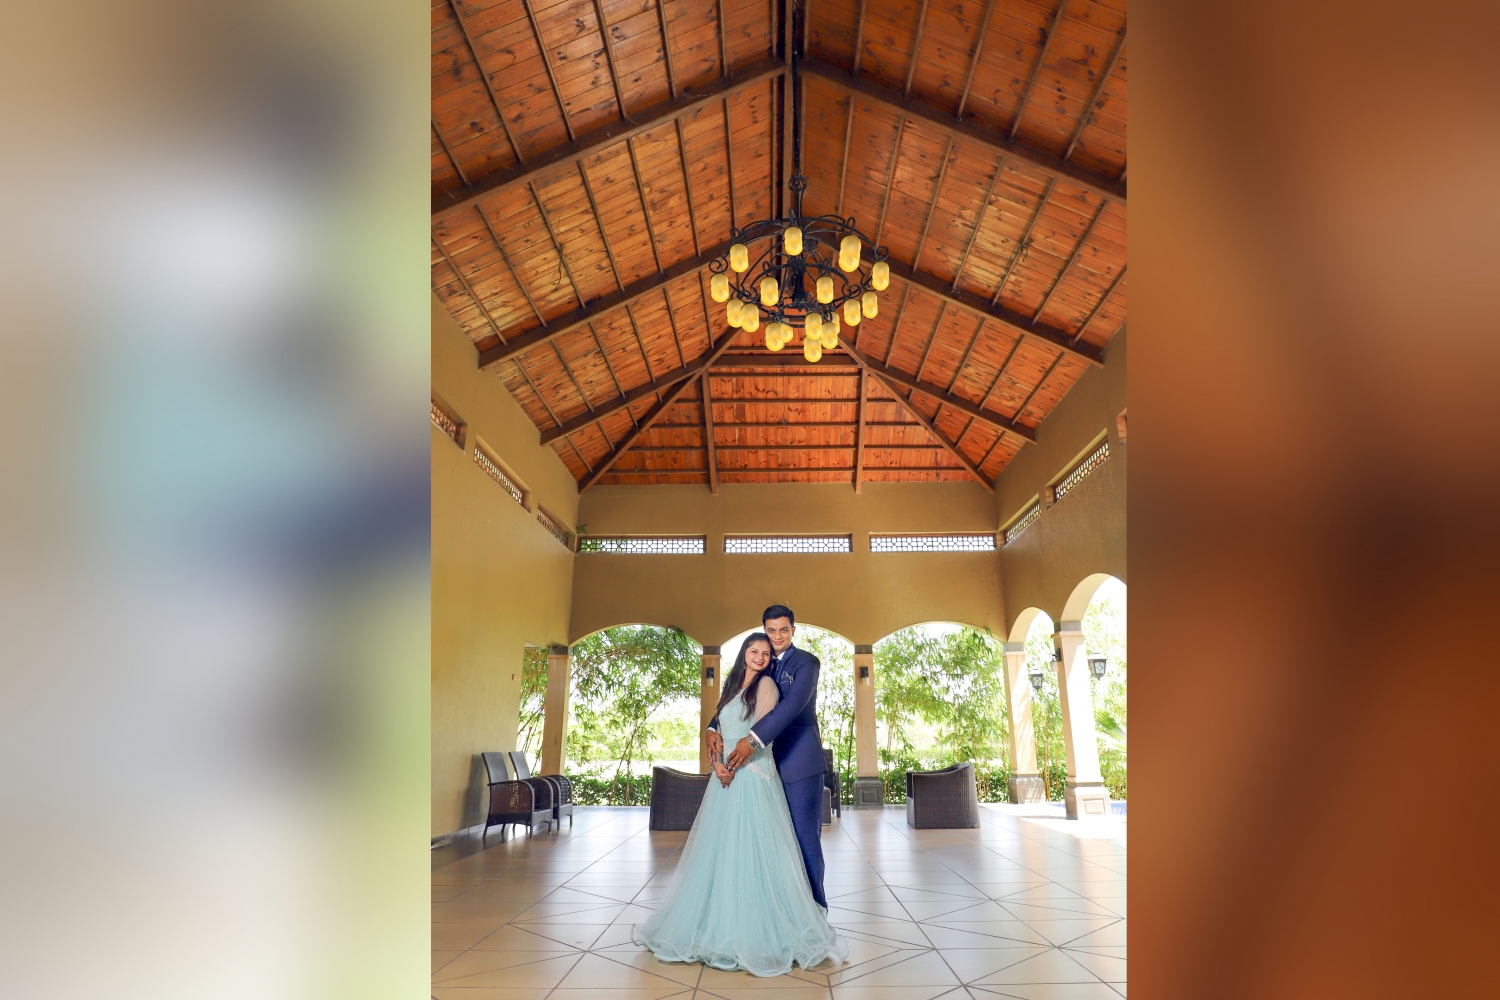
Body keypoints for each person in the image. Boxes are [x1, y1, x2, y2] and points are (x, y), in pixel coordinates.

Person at [631, 631, 847, 976]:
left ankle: (762, 930)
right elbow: (719, 728)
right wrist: (716, 761)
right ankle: (716, 923)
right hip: (725, 781)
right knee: (721, 853)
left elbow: (761, 736)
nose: (760, 656)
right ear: (744, 652)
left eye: (766, 653)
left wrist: (731, 766)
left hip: (753, 778)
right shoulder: (731, 687)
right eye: (754, 650)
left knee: (754, 852)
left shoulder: (767, 687)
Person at [707, 605, 829, 909]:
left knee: (802, 839)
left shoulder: (806, 663)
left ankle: (815, 911)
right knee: (767, 843)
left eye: (783, 630)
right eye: (771, 630)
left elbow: (791, 707)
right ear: (764, 630)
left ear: (793, 631)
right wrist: (711, 729)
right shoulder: (760, 662)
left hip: (797, 762)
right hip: (761, 767)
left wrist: (752, 740)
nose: (777, 636)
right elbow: (735, 701)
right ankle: (775, 910)